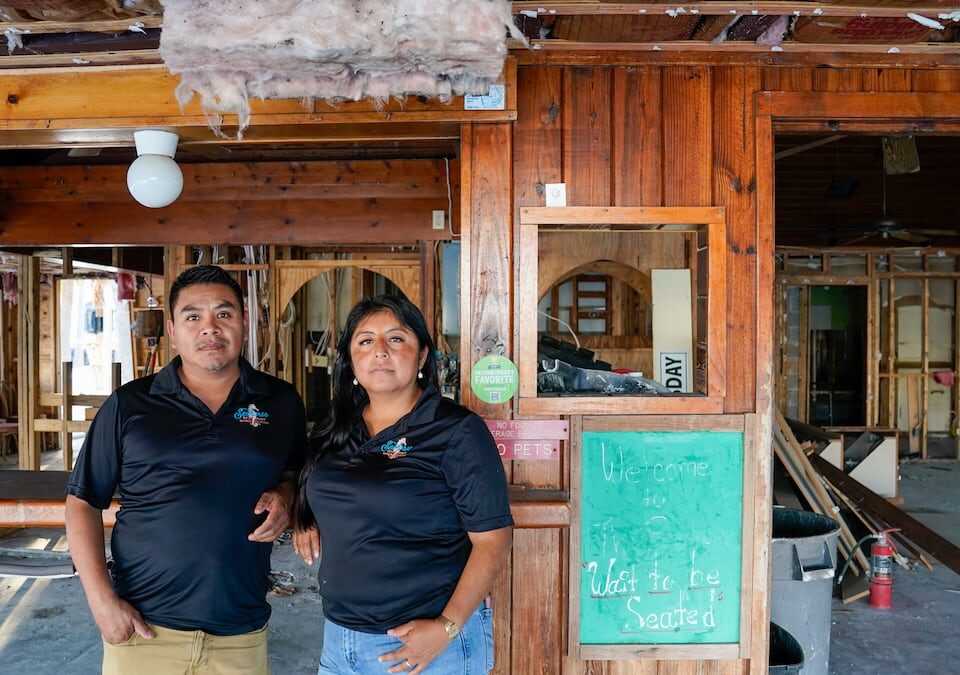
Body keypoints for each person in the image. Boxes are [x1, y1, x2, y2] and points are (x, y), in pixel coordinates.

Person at [65, 264, 306, 675]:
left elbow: (297, 474)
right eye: (193, 316)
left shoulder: (280, 402)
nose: (209, 328)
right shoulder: (131, 404)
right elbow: (83, 500)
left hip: (240, 633)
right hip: (144, 633)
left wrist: (286, 496)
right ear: (174, 330)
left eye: (224, 314)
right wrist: (101, 601)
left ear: (244, 323)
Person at [294, 294, 513, 675]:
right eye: (365, 341)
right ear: (350, 359)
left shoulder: (456, 430)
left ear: (423, 356)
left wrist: (447, 627)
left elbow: (493, 539)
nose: (380, 351)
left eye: (396, 339)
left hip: (424, 645)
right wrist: (305, 517)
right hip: (339, 639)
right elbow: (327, 486)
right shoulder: (336, 426)